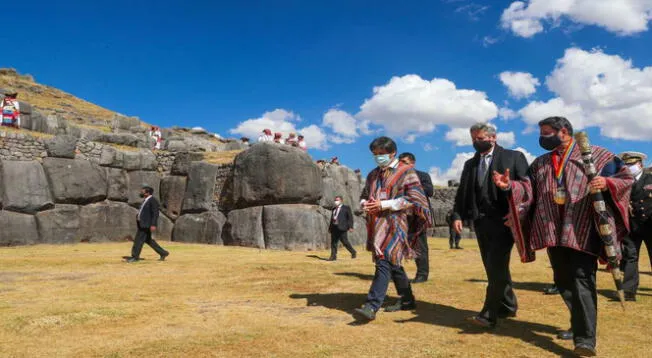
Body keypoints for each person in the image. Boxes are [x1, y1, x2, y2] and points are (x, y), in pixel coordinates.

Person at [496, 116, 632, 356]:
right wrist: (510, 187)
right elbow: (528, 188)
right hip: (552, 230)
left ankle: (585, 340)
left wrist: (606, 182)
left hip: (583, 229)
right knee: (562, 280)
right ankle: (578, 321)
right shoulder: (540, 163)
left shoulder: (598, 156)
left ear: (565, 132)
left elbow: (625, 178)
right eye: (542, 133)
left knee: (582, 280)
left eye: (547, 133)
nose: (542, 138)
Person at [451, 122, 529, 329]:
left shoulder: (513, 157)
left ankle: (489, 314)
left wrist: (516, 208)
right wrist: (457, 215)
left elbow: (527, 187)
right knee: (493, 266)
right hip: (480, 222)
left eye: (480, 138)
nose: (476, 142)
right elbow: (463, 193)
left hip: (505, 222)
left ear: (493, 138)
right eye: (473, 139)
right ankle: (508, 305)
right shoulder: (470, 164)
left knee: (495, 265)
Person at [352, 136, 431, 322]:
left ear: (392, 152)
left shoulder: (407, 172)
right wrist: (366, 203)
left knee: (383, 260)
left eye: (381, 153)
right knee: (393, 263)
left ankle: (371, 305)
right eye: (375, 154)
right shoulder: (373, 174)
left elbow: (414, 199)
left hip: (397, 223)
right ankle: (407, 299)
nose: (378, 157)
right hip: (377, 224)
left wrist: (384, 204)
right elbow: (364, 195)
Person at [618, 151, 652, 302]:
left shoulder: (650, 179)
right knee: (630, 257)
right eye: (626, 164)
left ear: (640, 164)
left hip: (650, 224)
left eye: (631, 164)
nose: (628, 167)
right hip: (631, 225)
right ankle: (628, 291)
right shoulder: (622, 182)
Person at [398, 152, 434, 283]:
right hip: (400, 215)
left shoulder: (423, 175)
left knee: (420, 245)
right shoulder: (395, 177)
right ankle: (396, 274)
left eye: (405, 162)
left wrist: (411, 189)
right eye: (400, 162)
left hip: (417, 216)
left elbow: (430, 191)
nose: (402, 165)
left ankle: (422, 274)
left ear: (412, 163)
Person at [126, 185, 169, 263]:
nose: (141, 192)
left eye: (143, 191)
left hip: (146, 224)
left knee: (138, 240)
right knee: (149, 241)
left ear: (147, 193)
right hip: (142, 224)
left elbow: (155, 213)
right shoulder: (145, 200)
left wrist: (153, 224)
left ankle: (135, 257)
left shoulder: (153, 201)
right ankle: (163, 253)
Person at [328, 195, 357, 261]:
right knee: (333, 243)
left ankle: (353, 252)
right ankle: (333, 256)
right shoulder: (334, 209)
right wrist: (330, 228)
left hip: (342, 228)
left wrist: (350, 227)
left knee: (345, 242)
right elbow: (331, 219)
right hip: (334, 228)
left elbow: (350, 218)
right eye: (335, 200)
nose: (336, 201)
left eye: (337, 200)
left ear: (341, 201)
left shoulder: (346, 208)